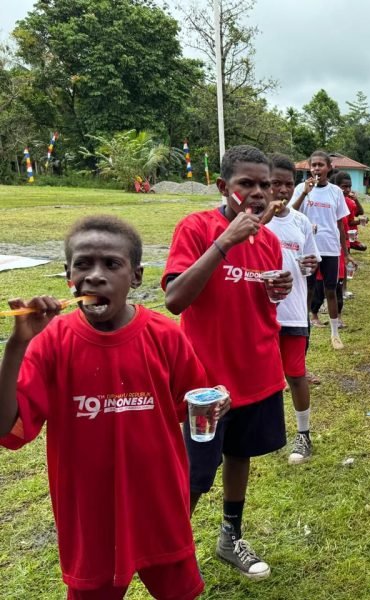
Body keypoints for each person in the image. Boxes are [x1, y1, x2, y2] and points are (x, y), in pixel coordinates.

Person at [0, 216, 216, 599]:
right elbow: (6, 427)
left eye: (111, 264)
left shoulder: (165, 336)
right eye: (83, 264)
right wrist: (17, 346)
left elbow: (192, 402)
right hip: (89, 514)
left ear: (136, 276)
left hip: (160, 505)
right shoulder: (50, 342)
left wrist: (216, 401)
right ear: (68, 275)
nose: (95, 276)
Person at [163, 145, 292, 578]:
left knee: (241, 454)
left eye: (265, 185)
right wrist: (225, 242)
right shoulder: (197, 228)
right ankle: (171, 551)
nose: (258, 193)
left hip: (256, 372)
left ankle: (229, 536)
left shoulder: (270, 241)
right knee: (197, 473)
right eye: (246, 184)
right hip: (206, 383)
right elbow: (175, 299)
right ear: (223, 187)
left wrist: (277, 290)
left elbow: (257, 304)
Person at [265, 153, 321, 464]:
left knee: (296, 374)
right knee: (266, 376)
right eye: (276, 183)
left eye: (288, 184)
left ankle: (303, 434)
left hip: (294, 311)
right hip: (262, 313)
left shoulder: (300, 222)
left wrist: (309, 265)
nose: (283, 190)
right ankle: (271, 432)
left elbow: (311, 261)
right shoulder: (253, 221)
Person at [291, 150, 353, 350]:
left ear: (329, 168)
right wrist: (304, 193)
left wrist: (346, 252)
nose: (317, 168)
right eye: (314, 165)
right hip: (308, 248)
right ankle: (303, 330)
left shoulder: (335, 192)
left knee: (331, 289)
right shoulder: (301, 188)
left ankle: (335, 333)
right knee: (307, 289)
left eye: (320, 165)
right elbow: (291, 212)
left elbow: (340, 224)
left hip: (330, 247)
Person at [335, 171, 366, 252]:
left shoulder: (349, 202)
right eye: (344, 187)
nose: (348, 190)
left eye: (349, 187)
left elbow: (359, 213)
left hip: (345, 241)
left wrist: (356, 200)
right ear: (336, 186)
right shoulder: (330, 202)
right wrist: (360, 221)